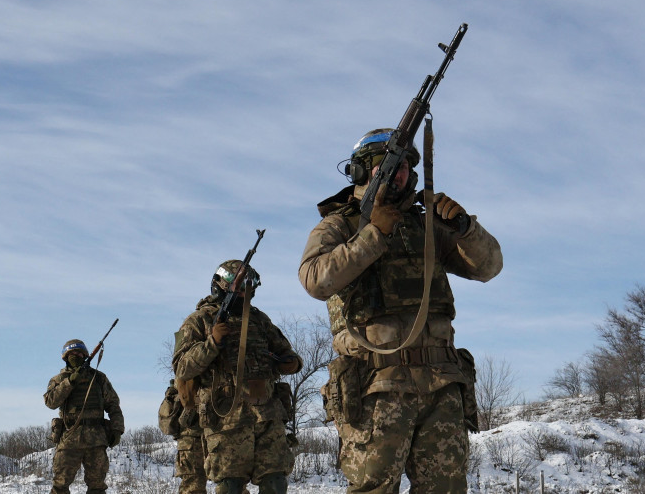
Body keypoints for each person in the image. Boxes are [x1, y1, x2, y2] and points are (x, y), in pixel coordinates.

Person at [298, 129, 503, 493]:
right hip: (376, 384)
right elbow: (316, 279)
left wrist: (466, 228)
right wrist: (373, 234)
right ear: (361, 172)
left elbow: (489, 267)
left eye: (405, 168)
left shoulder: (425, 226)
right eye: (387, 168)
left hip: (441, 382)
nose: (398, 176)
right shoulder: (340, 224)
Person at [173, 261, 302, 494]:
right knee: (230, 487)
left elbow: (287, 353)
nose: (243, 293)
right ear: (221, 286)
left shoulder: (259, 320)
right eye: (238, 288)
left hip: (267, 414)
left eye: (247, 289)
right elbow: (182, 368)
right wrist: (212, 343)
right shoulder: (200, 320)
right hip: (226, 418)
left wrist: (291, 362)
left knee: (275, 483)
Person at [44, 339, 125, 494]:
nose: (76, 355)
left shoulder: (98, 378)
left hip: (96, 438)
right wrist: (70, 382)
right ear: (66, 357)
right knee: (60, 485)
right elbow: (51, 402)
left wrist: (117, 429)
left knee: (97, 486)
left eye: (79, 353)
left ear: (85, 355)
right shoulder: (59, 379)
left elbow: (113, 405)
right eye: (72, 353)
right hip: (69, 438)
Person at [159, 379, 208, 494]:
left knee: (231, 481)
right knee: (193, 486)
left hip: (206, 436)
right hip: (193, 439)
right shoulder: (187, 375)